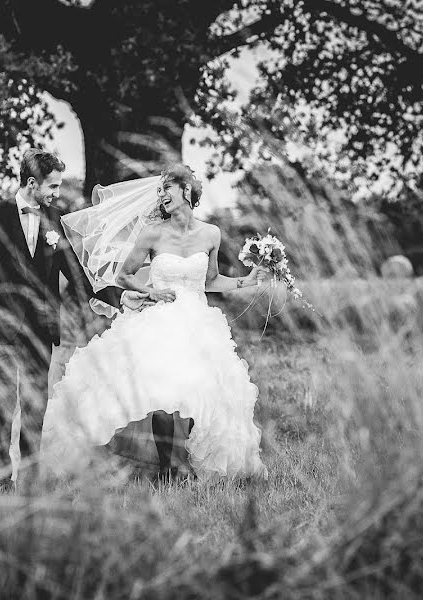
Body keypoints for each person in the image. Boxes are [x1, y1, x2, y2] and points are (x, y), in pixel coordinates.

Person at [41, 165, 268, 481]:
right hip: (160, 319)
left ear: (186, 190)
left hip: (198, 322)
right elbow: (123, 275)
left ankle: (187, 459)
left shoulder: (211, 234)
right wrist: (150, 291)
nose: (161, 196)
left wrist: (246, 281)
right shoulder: (152, 233)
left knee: (195, 387)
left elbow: (212, 280)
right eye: (159, 190)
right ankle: (169, 467)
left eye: (167, 189)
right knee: (162, 390)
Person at [0, 149, 124, 491]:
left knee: (36, 404)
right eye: (52, 186)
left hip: (41, 329)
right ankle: (1, 476)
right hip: (1, 328)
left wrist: (117, 299)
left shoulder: (54, 219)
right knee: (3, 402)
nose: (56, 193)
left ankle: (31, 475)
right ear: (32, 183)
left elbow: (76, 274)